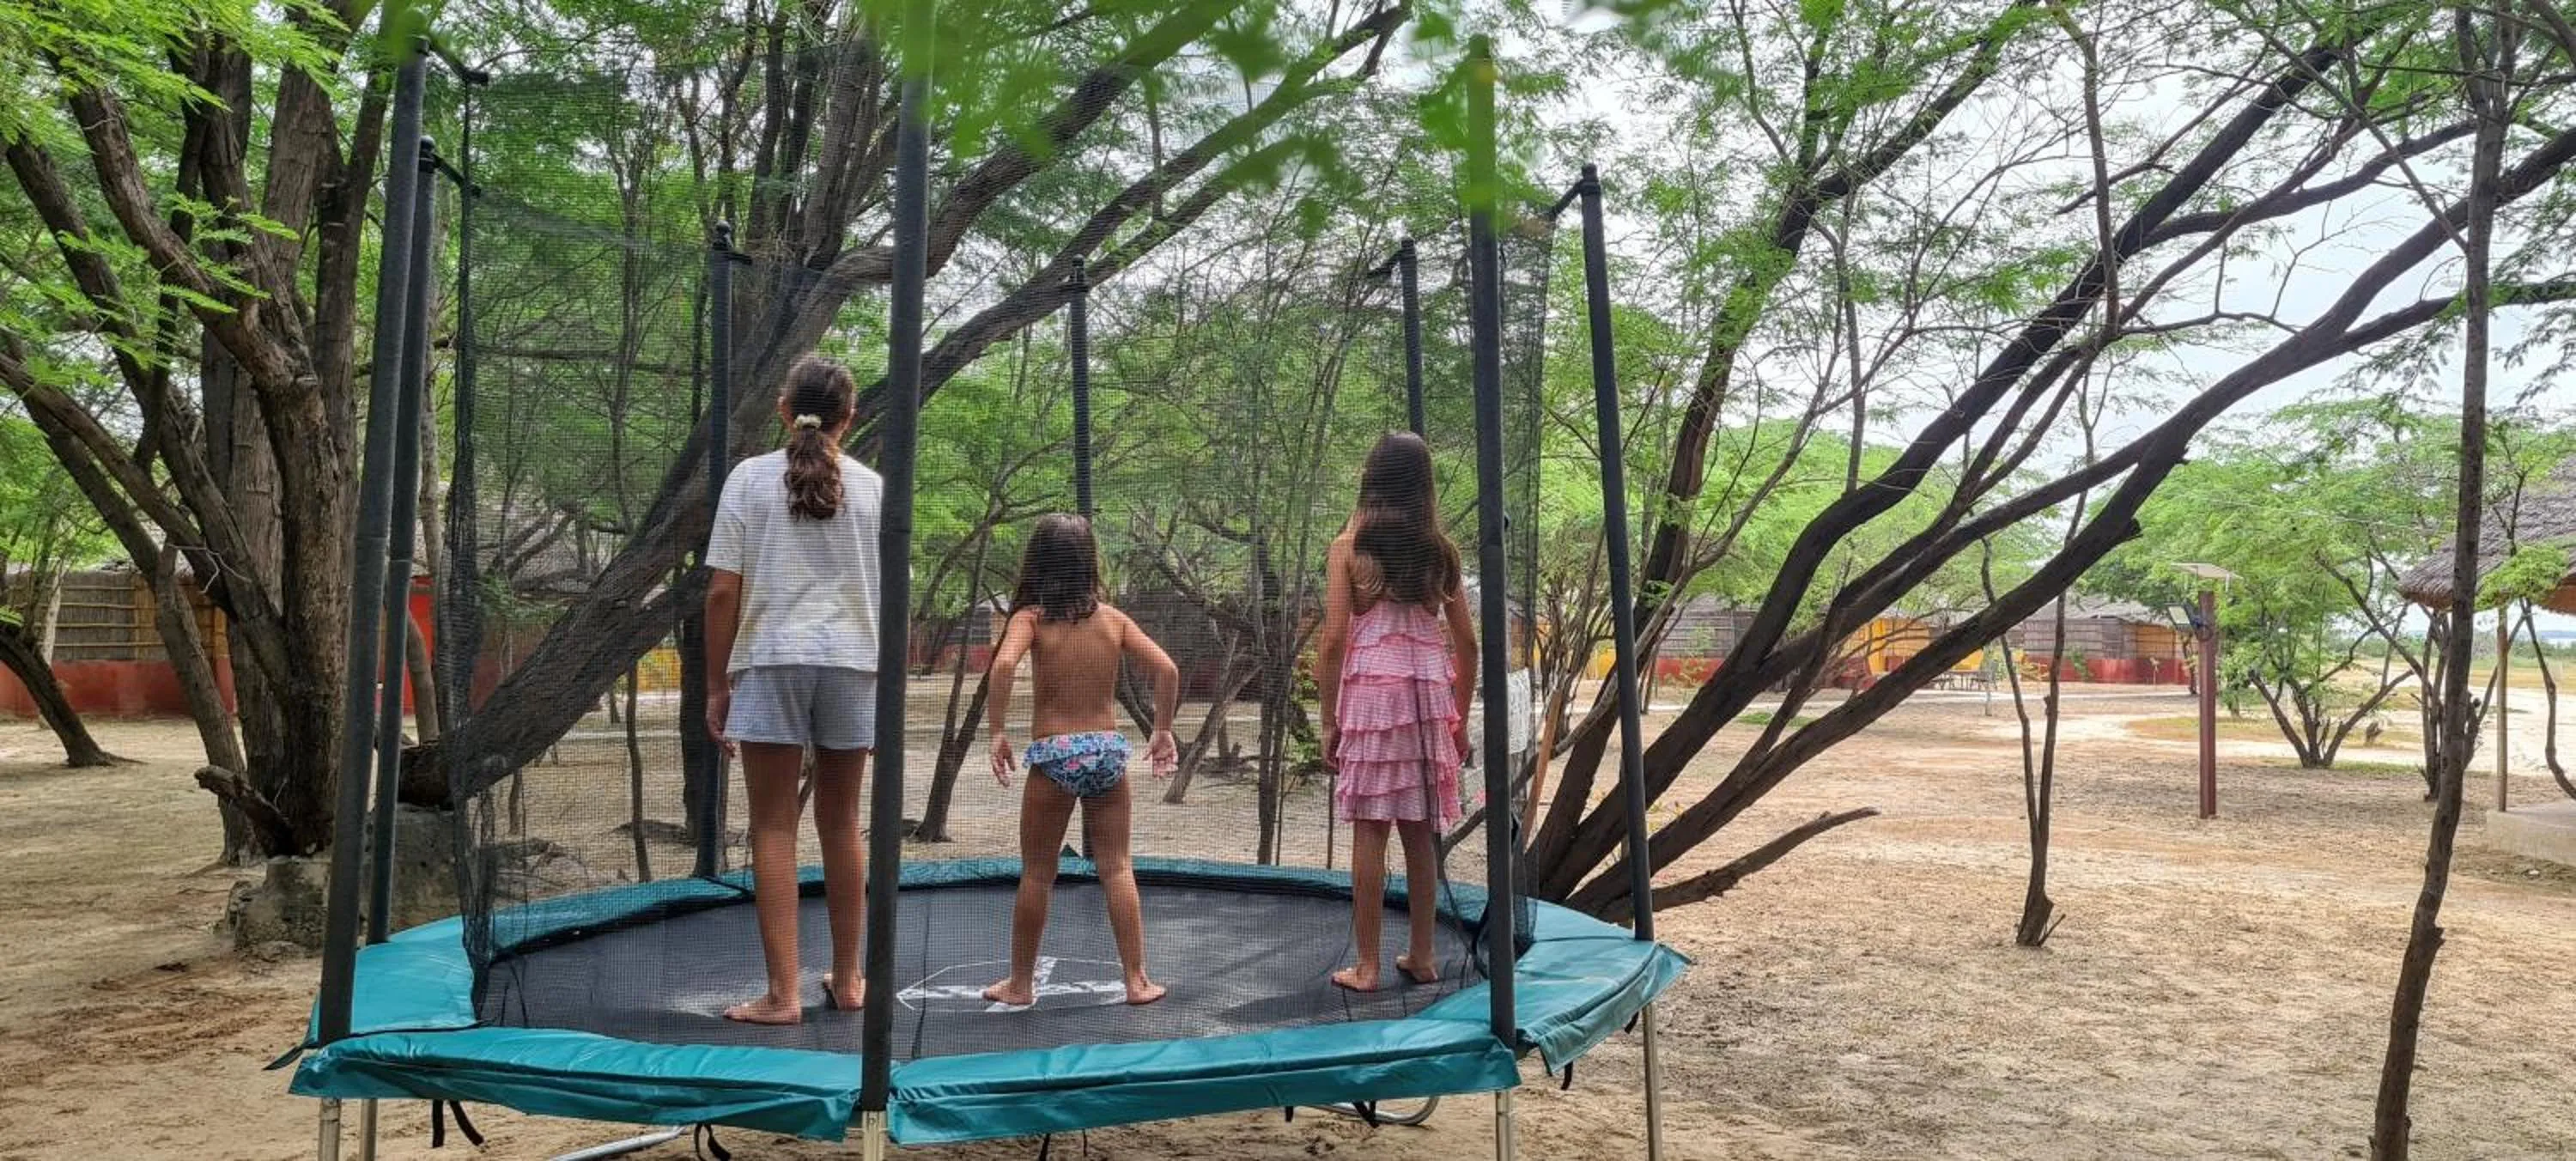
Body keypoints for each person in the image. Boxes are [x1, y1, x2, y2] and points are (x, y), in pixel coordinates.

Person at [703, 355, 884, 1025]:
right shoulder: (873, 489)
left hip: (772, 661)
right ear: (851, 417)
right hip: (852, 665)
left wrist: (717, 685)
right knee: (841, 824)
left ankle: (782, 996)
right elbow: (891, 594)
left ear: (783, 408)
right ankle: (849, 977)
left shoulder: (748, 481)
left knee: (773, 827)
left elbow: (723, 590)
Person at [982, 514, 1179, 1008]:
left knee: (1037, 873)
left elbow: (1003, 665)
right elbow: (1167, 669)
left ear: (1038, 564)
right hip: (1107, 752)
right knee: (1116, 868)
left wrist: (998, 730)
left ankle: (1021, 984)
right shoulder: (1113, 620)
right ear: (1090, 563)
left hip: (1056, 754)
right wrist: (1161, 730)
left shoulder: (1030, 619)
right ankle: (1137, 981)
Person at [1315, 432, 1476, 993]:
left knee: (1369, 827)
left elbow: (1334, 640)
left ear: (1371, 479)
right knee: (1419, 829)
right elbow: (1469, 645)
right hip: (1427, 695)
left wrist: (1329, 720)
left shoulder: (1349, 547)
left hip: (1372, 696)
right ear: (1424, 487)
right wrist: (1457, 723)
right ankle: (1424, 955)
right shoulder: (1441, 552)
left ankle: (1367, 965)